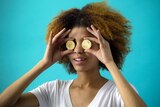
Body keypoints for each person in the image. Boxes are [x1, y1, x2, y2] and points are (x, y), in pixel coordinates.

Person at [0, 1, 147, 107]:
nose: (78, 50)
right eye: (71, 42)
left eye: (86, 42)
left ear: (104, 45)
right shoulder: (53, 90)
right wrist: (43, 64)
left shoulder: (119, 92)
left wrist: (110, 63)